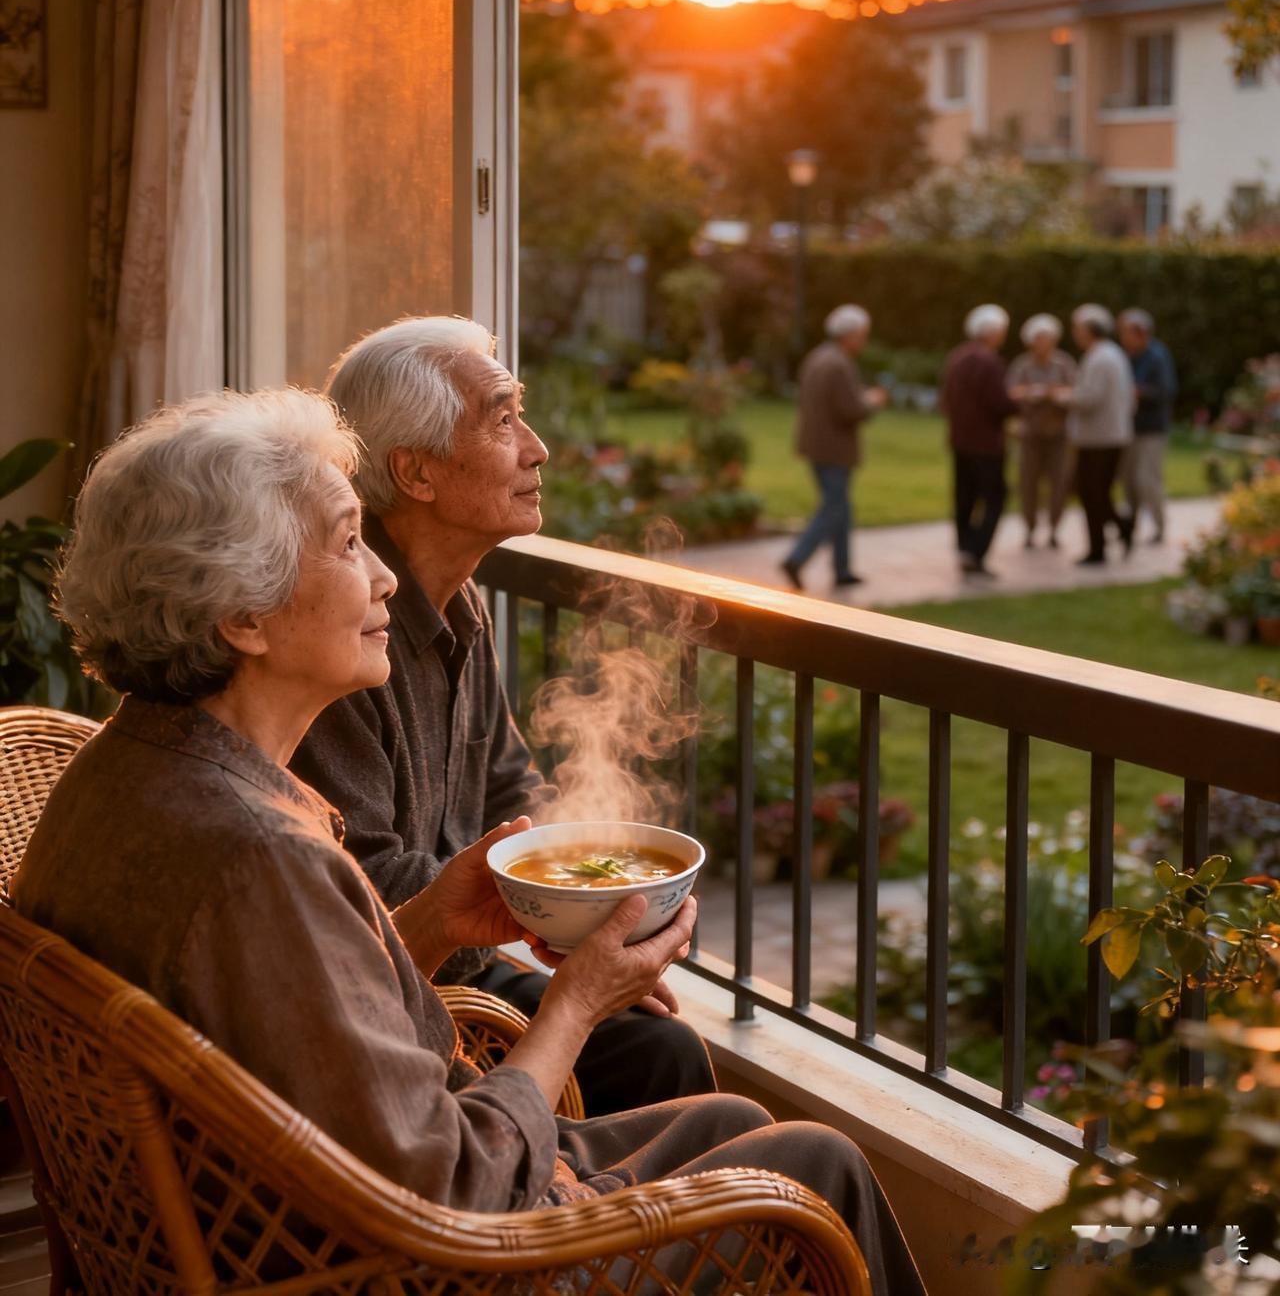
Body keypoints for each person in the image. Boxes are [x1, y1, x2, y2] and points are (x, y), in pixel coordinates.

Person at [14, 389, 925, 1296]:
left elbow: (294, 1009)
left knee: (722, 1110)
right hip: (421, 1260)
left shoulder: (122, 771)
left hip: (269, 1218)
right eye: (346, 543)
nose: (382, 577)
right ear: (242, 618)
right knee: (817, 1163)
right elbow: (457, 1191)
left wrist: (430, 924)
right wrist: (574, 1001)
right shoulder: (257, 853)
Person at [290, 317, 716, 1118]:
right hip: (408, 998)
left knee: (663, 1046)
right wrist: (541, 914)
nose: (537, 447)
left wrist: (596, 901)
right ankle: (591, 1224)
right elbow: (364, 881)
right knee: (662, 1061)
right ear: (415, 473)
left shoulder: (459, 599)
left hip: (463, 960)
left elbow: (508, 787)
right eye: (502, 418)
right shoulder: (342, 632)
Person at [781, 303, 887, 592]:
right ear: (850, 334)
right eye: (862, 334)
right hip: (834, 448)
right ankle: (797, 559)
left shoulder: (818, 357)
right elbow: (851, 409)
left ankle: (842, 569)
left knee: (842, 507)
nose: (864, 340)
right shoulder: (839, 363)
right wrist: (873, 401)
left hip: (816, 445)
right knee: (834, 507)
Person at [940, 303, 1018, 578]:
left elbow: (945, 400)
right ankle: (976, 552)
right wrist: (1018, 399)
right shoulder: (989, 361)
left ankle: (964, 548)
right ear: (994, 332)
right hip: (986, 444)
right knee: (995, 497)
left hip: (960, 440)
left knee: (965, 496)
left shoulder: (957, 358)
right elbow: (1001, 404)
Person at [1062, 304, 1136, 566]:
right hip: (1107, 436)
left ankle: (1104, 543)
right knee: (1095, 494)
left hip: (1100, 438)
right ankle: (1108, 538)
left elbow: (1090, 398)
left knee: (1092, 493)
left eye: (1078, 329)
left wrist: (1061, 396)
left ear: (1090, 330)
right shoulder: (1109, 355)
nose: (1075, 334)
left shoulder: (1101, 357)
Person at [1006, 314, 1076, 549]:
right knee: (1028, 483)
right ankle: (1029, 528)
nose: (1043, 344)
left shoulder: (1064, 364)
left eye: (1048, 339)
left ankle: (1055, 529)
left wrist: (1055, 394)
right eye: (1039, 339)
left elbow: (1076, 392)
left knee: (1058, 483)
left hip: (1058, 433)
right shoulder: (1022, 365)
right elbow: (1011, 393)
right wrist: (1031, 392)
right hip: (1030, 434)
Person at [1118, 308, 1177, 544]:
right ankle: (1129, 528)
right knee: (1128, 479)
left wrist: (1138, 391)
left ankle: (1159, 527)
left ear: (1140, 333)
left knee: (1148, 479)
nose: (1123, 337)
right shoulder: (1127, 356)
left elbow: (1166, 391)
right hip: (1129, 427)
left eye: (1126, 333)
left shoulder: (1157, 356)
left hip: (1152, 428)